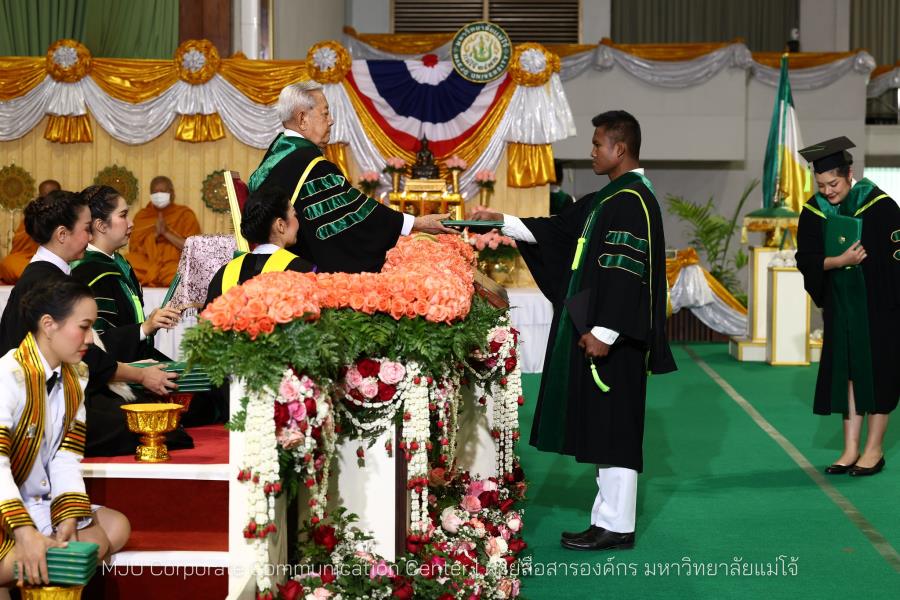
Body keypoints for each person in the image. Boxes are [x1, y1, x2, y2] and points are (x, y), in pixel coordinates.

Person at [474, 110, 676, 551]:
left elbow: (626, 271)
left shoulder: (631, 201)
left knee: (616, 430)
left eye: (598, 143)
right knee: (605, 427)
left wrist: (605, 331)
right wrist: (499, 220)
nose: (592, 151)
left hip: (617, 339)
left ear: (619, 148)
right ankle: (607, 519)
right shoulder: (612, 196)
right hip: (609, 334)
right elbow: (559, 231)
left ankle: (617, 526)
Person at [0, 191, 178, 455]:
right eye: (86, 229)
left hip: (60, 390)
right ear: (62, 234)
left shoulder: (48, 274)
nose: (89, 237)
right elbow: (85, 356)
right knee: (154, 427)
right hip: (40, 404)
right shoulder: (47, 283)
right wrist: (141, 374)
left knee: (155, 414)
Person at [0, 279, 130, 594]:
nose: (90, 339)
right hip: (6, 506)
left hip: (38, 500)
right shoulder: (8, 376)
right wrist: (24, 531)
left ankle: (32, 565)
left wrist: (68, 515)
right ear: (49, 325)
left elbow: (66, 455)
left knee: (116, 528)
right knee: (63, 553)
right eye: (84, 327)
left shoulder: (76, 376)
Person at [247, 81, 455, 274]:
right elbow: (353, 214)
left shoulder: (278, 151)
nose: (331, 120)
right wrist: (414, 223)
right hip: (299, 271)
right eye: (325, 113)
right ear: (302, 119)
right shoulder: (310, 164)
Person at [796, 136, 900, 477]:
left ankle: (874, 450)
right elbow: (806, 260)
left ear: (849, 174)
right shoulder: (814, 211)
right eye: (822, 185)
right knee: (849, 375)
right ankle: (851, 449)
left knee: (878, 373)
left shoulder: (881, 207)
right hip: (841, 308)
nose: (828, 191)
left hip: (880, 309)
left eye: (834, 184)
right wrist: (839, 261)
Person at [70, 185, 181, 364]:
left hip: (138, 355)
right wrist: (144, 328)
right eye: (123, 216)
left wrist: (152, 322)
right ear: (100, 225)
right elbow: (96, 342)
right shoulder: (88, 271)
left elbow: (125, 321)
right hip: (113, 369)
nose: (131, 223)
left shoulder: (119, 262)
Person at [205, 186, 314, 307]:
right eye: (294, 214)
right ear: (280, 225)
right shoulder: (302, 271)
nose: (298, 221)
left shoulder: (223, 274)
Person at [127, 176, 201, 287]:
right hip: (148, 263)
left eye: (162, 191)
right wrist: (154, 236)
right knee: (126, 262)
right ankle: (157, 276)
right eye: (155, 192)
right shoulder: (142, 216)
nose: (158, 194)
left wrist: (166, 233)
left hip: (172, 265)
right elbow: (134, 248)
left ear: (171, 193)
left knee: (187, 271)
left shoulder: (184, 215)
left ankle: (155, 277)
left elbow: (193, 247)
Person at [0, 180, 61, 284]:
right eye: (44, 196)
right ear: (39, 196)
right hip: (28, 261)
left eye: (52, 196)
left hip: (56, 260)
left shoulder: (66, 215)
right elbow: (19, 247)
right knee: (9, 263)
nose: (48, 200)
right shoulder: (33, 216)